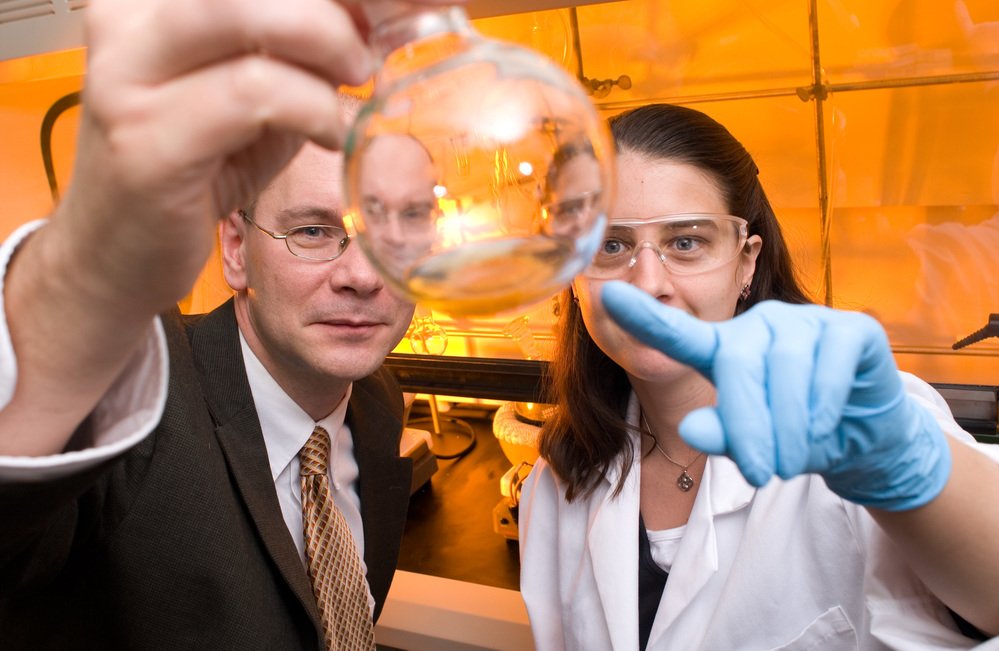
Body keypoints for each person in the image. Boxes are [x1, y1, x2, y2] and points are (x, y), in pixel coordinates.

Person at [0, 0, 457, 647]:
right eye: (313, 230)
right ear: (236, 249)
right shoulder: (139, 400)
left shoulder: (378, 402)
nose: (363, 274)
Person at [518, 103, 999, 650]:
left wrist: (907, 464)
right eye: (611, 245)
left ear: (746, 262)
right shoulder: (558, 478)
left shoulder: (849, 424)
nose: (648, 284)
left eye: (686, 242)